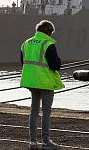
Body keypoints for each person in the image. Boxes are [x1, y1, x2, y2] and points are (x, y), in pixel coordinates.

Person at [20, 20, 64, 150]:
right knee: (46, 112)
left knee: (34, 111)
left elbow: (24, 62)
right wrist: (59, 61)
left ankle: (33, 142)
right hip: (45, 82)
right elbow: (55, 65)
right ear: (48, 31)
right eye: (51, 32)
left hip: (31, 82)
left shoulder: (26, 43)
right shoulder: (48, 44)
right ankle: (46, 142)